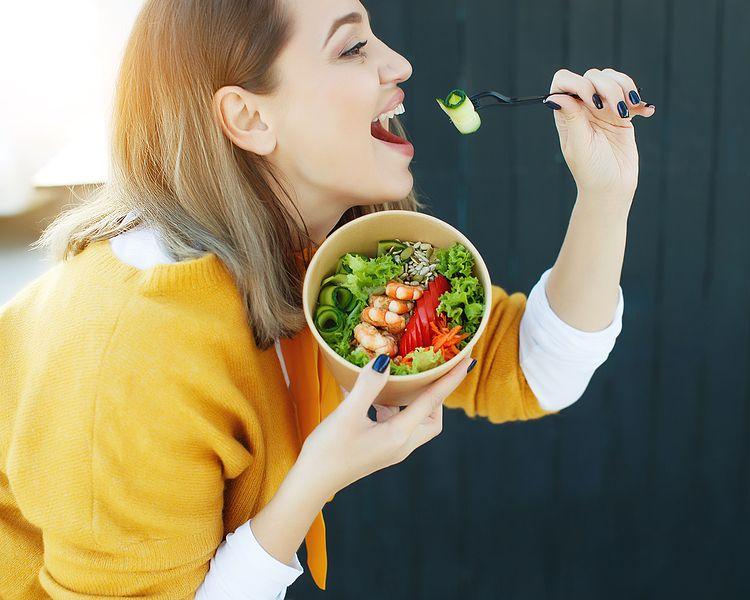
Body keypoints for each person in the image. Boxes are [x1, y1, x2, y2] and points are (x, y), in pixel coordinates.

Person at [0, 0, 652, 597]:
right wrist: (313, 479)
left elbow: (536, 369)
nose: (400, 64)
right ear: (250, 117)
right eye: (351, 48)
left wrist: (605, 193)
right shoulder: (126, 359)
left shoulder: (330, 252)